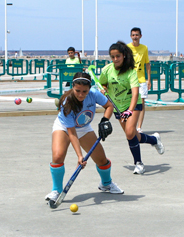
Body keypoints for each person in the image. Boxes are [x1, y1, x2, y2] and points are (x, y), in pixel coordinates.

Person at [45, 72, 123, 202]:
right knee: (58, 156)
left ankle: (106, 184)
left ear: (89, 89)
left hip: (84, 127)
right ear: (72, 87)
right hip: (64, 128)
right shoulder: (67, 102)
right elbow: (72, 133)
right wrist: (79, 156)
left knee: (101, 159)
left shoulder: (94, 94)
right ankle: (56, 190)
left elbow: (109, 106)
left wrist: (105, 120)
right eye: (77, 91)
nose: (81, 94)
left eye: (84, 91)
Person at [98, 41, 164, 175]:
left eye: (118, 56)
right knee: (133, 135)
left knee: (129, 133)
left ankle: (138, 163)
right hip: (117, 106)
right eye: (113, 57)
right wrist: (103, 89)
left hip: (133, 105)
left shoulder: (130, 72)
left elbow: (135, 93)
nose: (115, 59)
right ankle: (154, 139)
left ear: (123, 56)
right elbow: (102, 83)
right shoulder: (107, 70)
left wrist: (130, 110)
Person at [127, 27, 151, 133]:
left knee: (141, 102)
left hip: (141, 79)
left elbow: (147, 64)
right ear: (131, 36)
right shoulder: (127, 48)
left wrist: (149, 80)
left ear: (140, 36)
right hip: (130, 79)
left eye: (137, 35)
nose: (135, 37)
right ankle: (131, 125)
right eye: (133, 35)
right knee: (130, 102)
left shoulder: (144, 48)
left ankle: (139, 127)